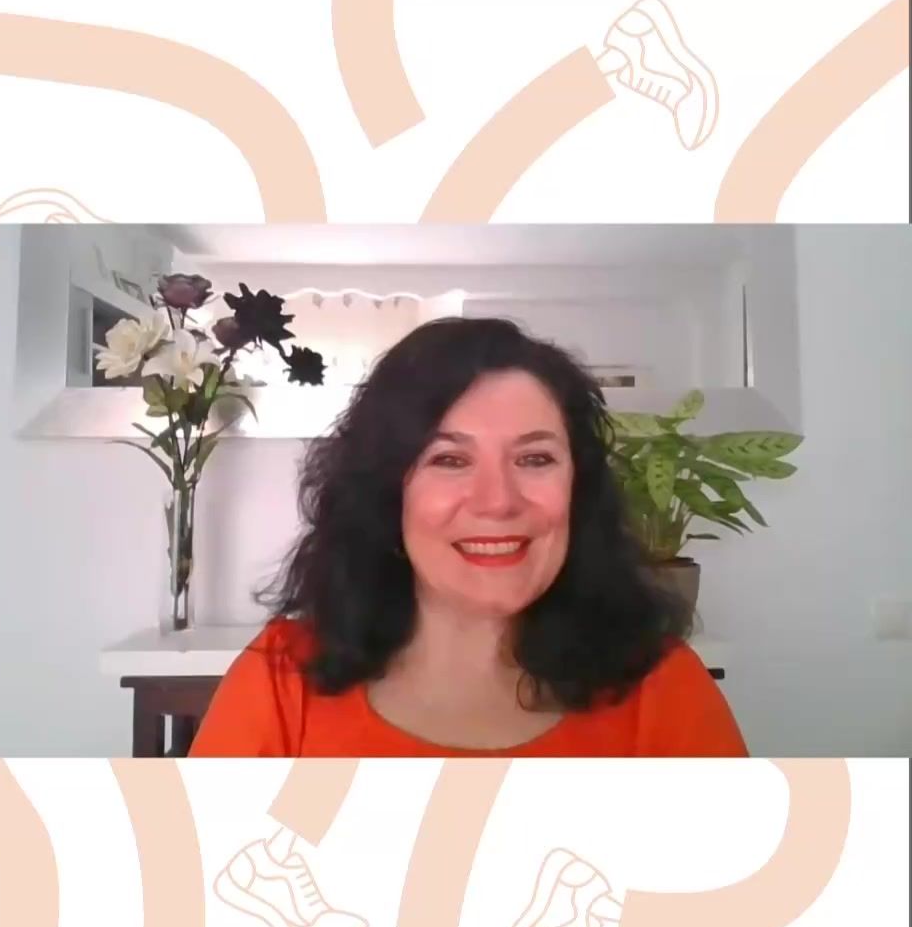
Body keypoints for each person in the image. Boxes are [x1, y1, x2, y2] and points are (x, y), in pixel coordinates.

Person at [191, 317, 746, 758]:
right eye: (450, 459)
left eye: (535, 458)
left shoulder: (664, 690)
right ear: (387, 492)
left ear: (579, 490)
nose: (497, 501)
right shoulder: (280, 682)